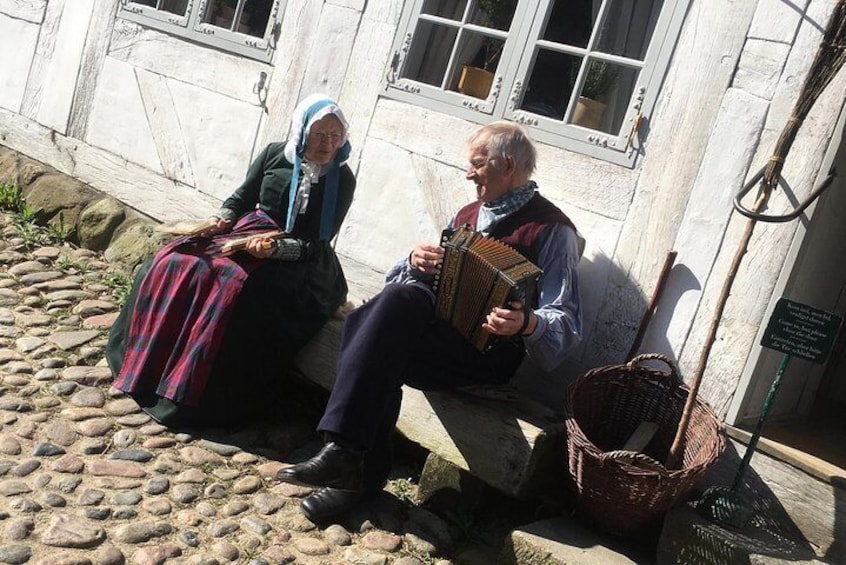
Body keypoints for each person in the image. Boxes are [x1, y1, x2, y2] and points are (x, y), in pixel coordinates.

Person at [277, 121, 582, 522]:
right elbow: (428, 282)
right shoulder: (468, 213)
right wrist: (413, 261)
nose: (468, 174)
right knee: (390, 308)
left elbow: (567, 324)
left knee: (374, 335)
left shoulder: (552, 230)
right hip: (436, 330)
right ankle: (349, 462)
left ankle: (353, 468)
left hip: (485, 354)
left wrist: (526, 323)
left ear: (507, 164)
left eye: (477, 165)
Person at [106, 93, 356, 427]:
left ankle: (200, 397)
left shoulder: (342, 178)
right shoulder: (274, 155)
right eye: (319, 134)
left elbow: (317, 242)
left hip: (303, 260)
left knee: (236, 284)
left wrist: (274, 250)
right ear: (302, 131)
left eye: (334, 136)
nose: (327, 144)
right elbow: (242, 197)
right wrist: (222, 219)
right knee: (174, 260)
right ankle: (145, 366)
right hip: (249, 234)